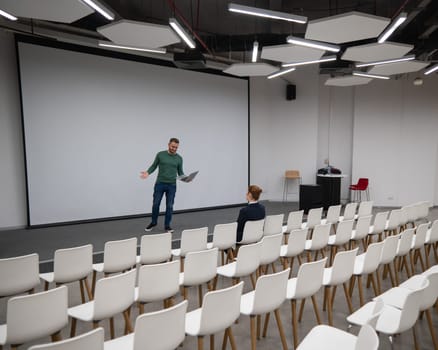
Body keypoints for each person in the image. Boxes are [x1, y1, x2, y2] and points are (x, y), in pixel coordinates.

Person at [140, 138, 184, 233]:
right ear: (168, 144)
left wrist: (186, 178)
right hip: (160, 184)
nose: (174, 149)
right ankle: (153, 222)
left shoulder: (179, 158)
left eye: (176, 147)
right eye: (173, 146)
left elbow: (180, 173)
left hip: (172, 186)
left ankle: (167, 226)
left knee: (169, 206)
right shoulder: (160, 154)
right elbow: (154, 166)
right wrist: (148, 172)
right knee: (156, 204)